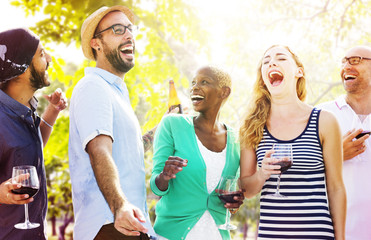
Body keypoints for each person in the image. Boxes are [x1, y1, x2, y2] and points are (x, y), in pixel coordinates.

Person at [69, 5, 159, 240]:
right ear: (96, 43)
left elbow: (124, 151)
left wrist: (159, 131)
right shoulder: (93, 86)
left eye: (130, 29)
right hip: (111, 226)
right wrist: (119, 206)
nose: (129, 35)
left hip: (129, 224)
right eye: (118, 30)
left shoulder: (116, 93)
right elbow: (99, 151)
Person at [239, 45, 346, 239]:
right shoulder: (251, 126)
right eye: (266, 61)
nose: (272, 62)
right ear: (263, 77)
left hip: (317, 235)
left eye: (281, 58)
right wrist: (262, 173)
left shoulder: (324, 121)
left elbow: (336, 188)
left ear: (299, 71)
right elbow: (246, 190)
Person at [150, 66, 243, 240]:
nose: (194, 87)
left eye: (204, 82)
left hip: (217, 234)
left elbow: (232, 188)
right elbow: (156, 186)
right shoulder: (172, 124)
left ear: (224, 92)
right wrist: (164, 175)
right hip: (172, 234)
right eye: (193, 83)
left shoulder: (236, 139)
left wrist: (235, 201)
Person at [0, 28, 67, 239]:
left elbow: (29, 150)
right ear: (21, 67)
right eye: (40, 53)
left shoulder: (24, 110)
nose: (49, 59)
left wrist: (52, 111)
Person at [317, 45, 371, 239]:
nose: (347, 66)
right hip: (332, 232)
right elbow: (298, 171)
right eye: (344, 61)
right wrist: (335, 156)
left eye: (355, 60)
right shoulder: (320, 114)